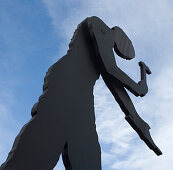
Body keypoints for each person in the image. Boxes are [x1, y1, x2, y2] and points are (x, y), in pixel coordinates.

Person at [0, 16, 158, 170]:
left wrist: (140, 124)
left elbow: (117, 89)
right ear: (119, 34)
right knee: (40, 148)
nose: (122, 53)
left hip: (83, 99)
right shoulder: (97, 25)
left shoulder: (106, 48)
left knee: (88, 155)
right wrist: (138, 89)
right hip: (66, 83)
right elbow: (110, 69)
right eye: (125, 52)